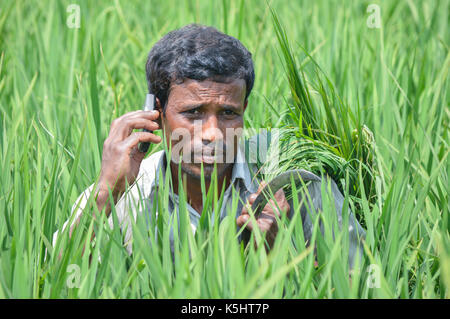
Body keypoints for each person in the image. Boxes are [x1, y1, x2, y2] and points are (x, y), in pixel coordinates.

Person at [53, 23, 365, 269]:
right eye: (193, 113)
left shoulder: (294, 185)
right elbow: (51, 281)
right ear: (156, 114)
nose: (213, 134)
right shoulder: (125, 192)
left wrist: (281, 260)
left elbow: (359, 283)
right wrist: (106, 191)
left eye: (229, 113)